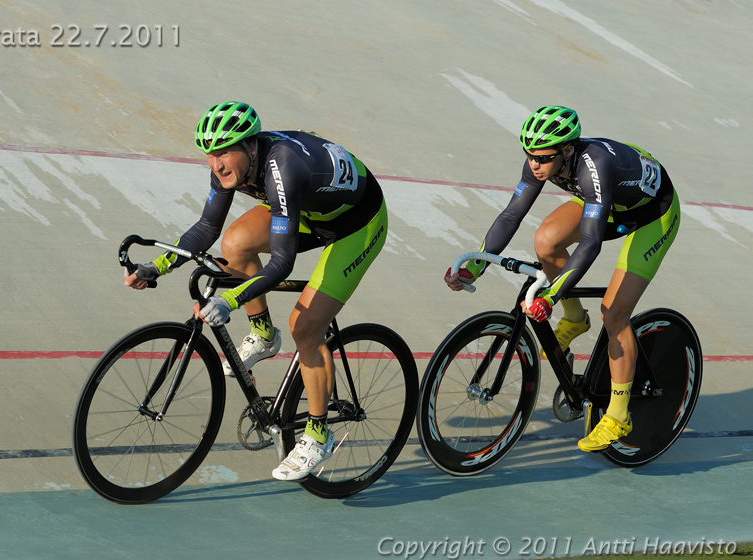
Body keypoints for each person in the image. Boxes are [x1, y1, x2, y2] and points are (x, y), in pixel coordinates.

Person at [124, 101, 388, 480]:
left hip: (357, 224)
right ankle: (263, 334)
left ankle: (317, 434)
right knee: (234, 244)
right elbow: (206, 229)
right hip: (306, 209)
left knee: (305, 327)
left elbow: (283, 263)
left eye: (225, 152)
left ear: (250, 147)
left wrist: (230, 300)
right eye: (210, 154)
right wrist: (157, 266)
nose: (217, 164)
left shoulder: (283, 169)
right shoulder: (230, 166)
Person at [445, 105, 680, 452]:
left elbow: (590, 244)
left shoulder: (594, 167)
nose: (534, 164)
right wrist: (475, 265)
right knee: (546, 240)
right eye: (529, 156)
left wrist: (549, 297)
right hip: (610, 202)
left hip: (652, 216)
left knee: (614, 312)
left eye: (543, 158)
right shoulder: (543, 160)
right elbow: (511, 214)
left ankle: (617, 415)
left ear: (567, 150)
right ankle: (574, 319)